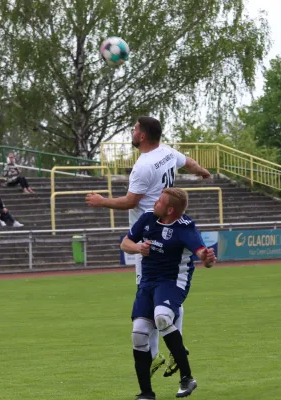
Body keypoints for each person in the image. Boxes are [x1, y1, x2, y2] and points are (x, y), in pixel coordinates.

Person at [85, 116, 211, 377]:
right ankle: (177, 350)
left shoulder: (142, 166)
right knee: (169, 288)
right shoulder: (167, 152)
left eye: (134, 129)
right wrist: (201, 172)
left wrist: (101, 201)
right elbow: (188, 162)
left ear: (142, 136)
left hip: (151, 235)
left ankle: (159, 356)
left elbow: (131, 202)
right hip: (170, 228)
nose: (132, 132)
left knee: (150, 293)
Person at [121, 188, 216, 399]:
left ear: (170, 209)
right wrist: (138, 249)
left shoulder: (185, 228)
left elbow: (201, 253)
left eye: (160, 201)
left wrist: (207, 259)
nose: (155, 203)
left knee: (162, 317)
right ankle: (146, 393)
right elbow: (125, 243)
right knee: (138, 334)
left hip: (173, 282)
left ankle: (187, 378)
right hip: (147, 283)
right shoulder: (147, 219)